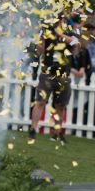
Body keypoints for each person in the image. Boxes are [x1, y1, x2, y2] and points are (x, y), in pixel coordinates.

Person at [30, 14, 81, 143]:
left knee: (60, 105)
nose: (58, 20)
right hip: (48, 72)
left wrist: (60, 36)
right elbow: (39, 51)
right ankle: (33, 129)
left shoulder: (69, 31)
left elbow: (77, 45)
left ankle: (57, 132)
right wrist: (40, 39)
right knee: (40, 102)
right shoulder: (46, 31)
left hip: (63, 74)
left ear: (63, 19)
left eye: (60, 18)